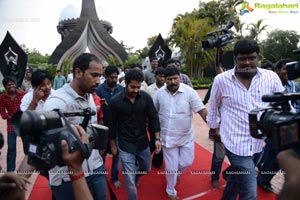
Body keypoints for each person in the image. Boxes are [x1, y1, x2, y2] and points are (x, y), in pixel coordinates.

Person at [207, 39, 284, 200]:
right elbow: (213, 108)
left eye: (252, 58)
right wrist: (213, 130)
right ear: (235, 59)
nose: (247, 62)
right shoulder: (221, 80)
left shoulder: (271, 78)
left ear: (258, 57)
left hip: (259, 142)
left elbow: (281, 105)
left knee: (236, 179)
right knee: (249, 192)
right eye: (242, 59)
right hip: (235, 143)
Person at [43, 53, 107, 200]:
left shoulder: (89, 95)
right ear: (78, 72)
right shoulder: (56, 102)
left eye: (100, 76)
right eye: (94, 75)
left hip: (96, 168)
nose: (98, 81)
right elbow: (47, 145)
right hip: (67, 177)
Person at [153, 66, 207, 200]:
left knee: (187, 162)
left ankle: (176, 174)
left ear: (180, 77)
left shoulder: (189, 92)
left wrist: (213, 126)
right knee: (171, 167)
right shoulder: (159, 93)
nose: (173, 82)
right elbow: (154, 112)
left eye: (175, 78)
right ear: (165, 80)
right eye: (169, 79)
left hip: (186, 136)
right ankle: (170, 190)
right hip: (167, 138)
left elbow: (201, 110)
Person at [108, 69, 162, 200]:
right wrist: (113, 145)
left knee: (146, 168)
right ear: (125, 83)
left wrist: (157, 138)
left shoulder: (145, 97)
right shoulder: (115, 101)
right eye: (133, 87)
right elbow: (111, 125)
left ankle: (138, 175)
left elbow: (153, 117)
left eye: (138, 87)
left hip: (143, 142)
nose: (136, 90)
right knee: (129, 178)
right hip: (125, 144)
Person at [96, 65, 124, 188]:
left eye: (116, 77)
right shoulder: (98, 90)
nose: (114, 80)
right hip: (102, 128)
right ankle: (100, 176)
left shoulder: (121, 89)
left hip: (118, 128)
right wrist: (100, 107)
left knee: (116, 154)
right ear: (105, 77)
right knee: (100, 154)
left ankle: (114, 177)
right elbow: (94, 109)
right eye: (111, 77)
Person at [0, 77, 25, 171]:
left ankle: (28, 169)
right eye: (8, 85)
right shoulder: (2, 97)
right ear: (5, 87)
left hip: (23, 123)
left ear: (15, 84)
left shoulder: (23, 94)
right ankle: (10, 171)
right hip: (11, 125)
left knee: (27, 148)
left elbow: (27, 107)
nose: (11, 86)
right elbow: (2, 112)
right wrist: (10, 117)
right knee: (11, 148)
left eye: (12, 84)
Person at [147, 67, 166, 169]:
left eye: (164, 76)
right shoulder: (149, 89)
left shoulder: (168, 89)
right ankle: (144, 157)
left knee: (162, 141)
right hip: (153, 120)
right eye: (160, 76)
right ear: (156, 77)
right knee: (154, 140)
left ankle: (157, 160)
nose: (162, 79)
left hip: (165, 120)